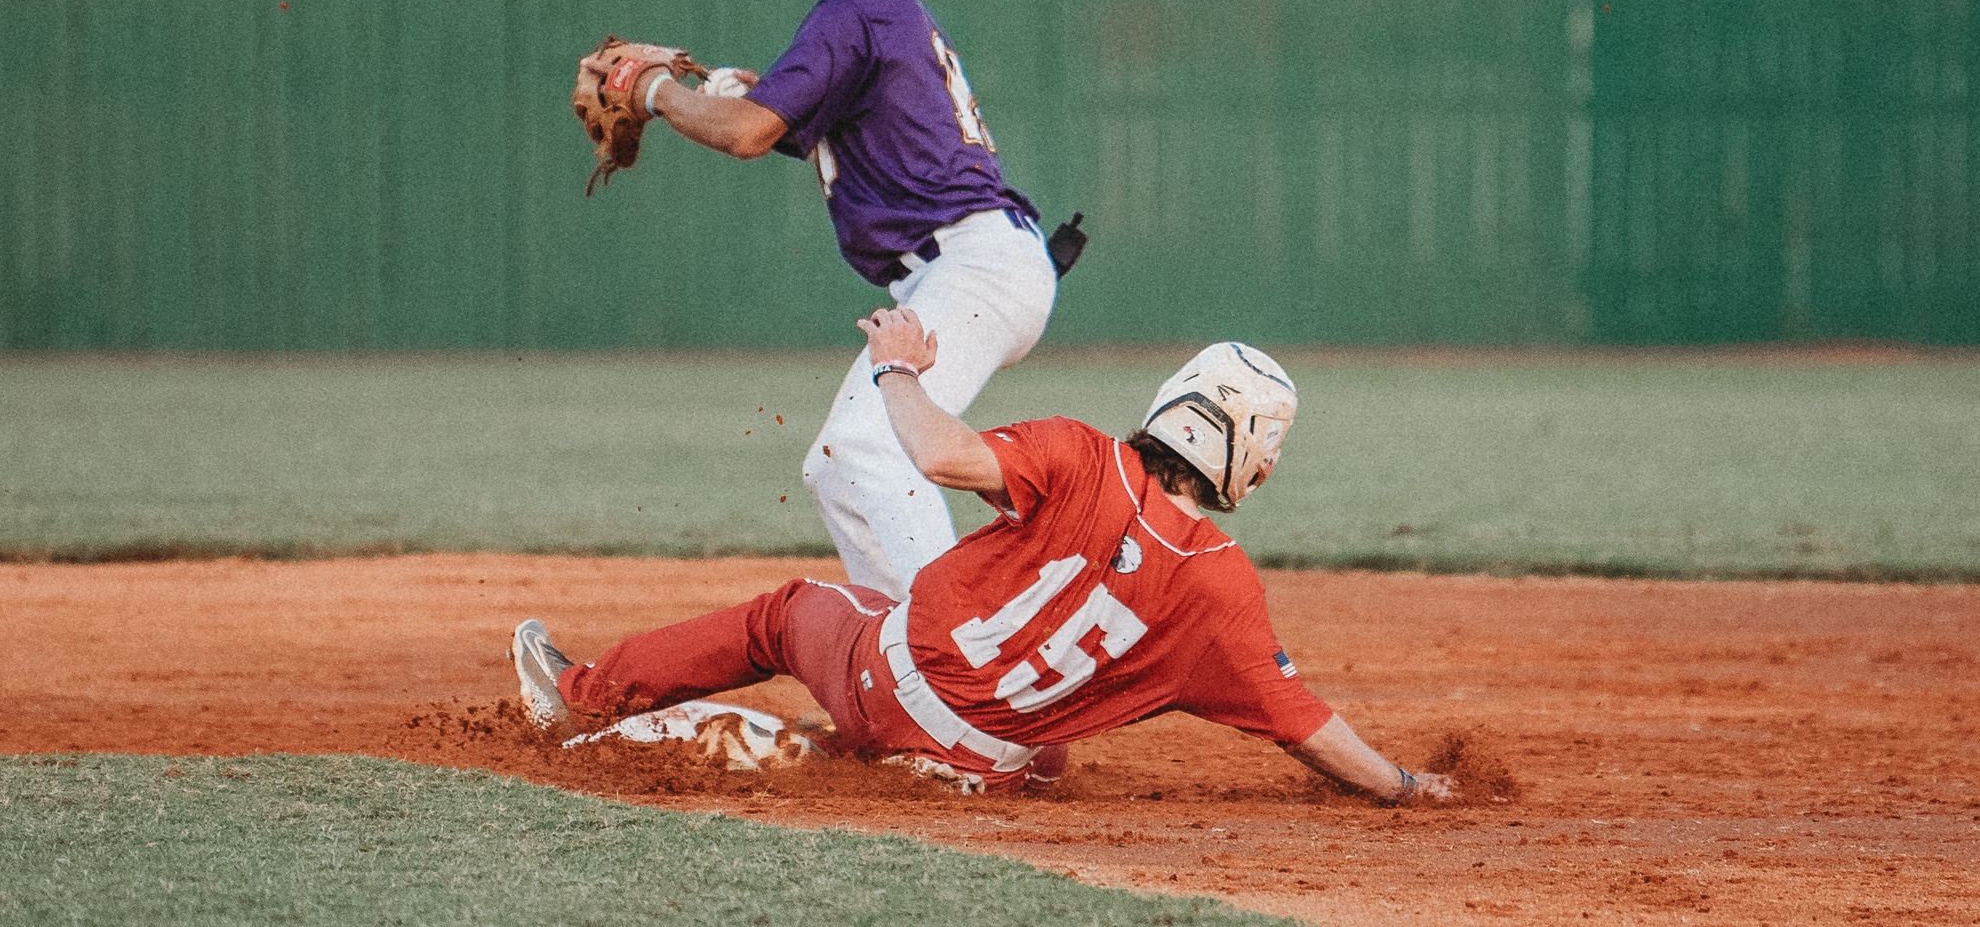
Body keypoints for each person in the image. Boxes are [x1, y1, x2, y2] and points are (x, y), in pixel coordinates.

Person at [510, 308, 1456, 802]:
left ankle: (580, 700)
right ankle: (857, 761)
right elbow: (1309, 727)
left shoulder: (1083, 453)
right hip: (992, 764)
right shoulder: (1225, 590)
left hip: (898, 686)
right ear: (1249, 457)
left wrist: (897, 369)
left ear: (1173, 403)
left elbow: (938, 453)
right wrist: (1408, 786)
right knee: (1043, 735)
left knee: (790, 612)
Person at [584, 0, 1058, 601]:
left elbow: (747, 133)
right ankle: (900, 670)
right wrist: (744, 91)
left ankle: (970, 660)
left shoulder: (857, 12)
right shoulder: (878, 16)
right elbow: (786, 123)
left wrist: (655, 93)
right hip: (975, 266)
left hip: (975, 264)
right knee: (839, 465)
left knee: (872, 448)